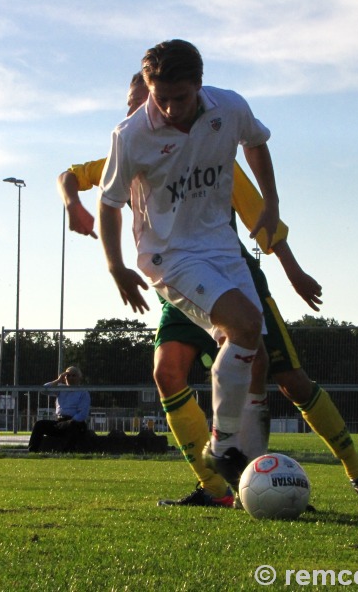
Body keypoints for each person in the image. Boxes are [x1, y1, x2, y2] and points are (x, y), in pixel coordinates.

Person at [62, 72, 358, 507]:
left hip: (229, 276)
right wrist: (74, 206)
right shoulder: (130, 144)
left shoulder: (209, 149)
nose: (139, 111)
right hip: (178, 285)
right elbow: (70, 175)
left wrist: (293, 270)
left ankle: (356, 473)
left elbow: (261, 218)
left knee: (287, 379)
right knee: (166, 373)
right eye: (133, 103)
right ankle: (218, 488)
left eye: (143, 102)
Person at [98, 39, 277, 493]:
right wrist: (116, 265)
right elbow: (109, 201)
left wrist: (271, 203)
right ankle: (220, 447)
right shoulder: (130, 135)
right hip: (169, 255)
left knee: (254, 354)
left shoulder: (229, 107)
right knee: (243, 325)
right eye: (162, 99)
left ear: (199, 84)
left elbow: (255, 142)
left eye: (181, 97)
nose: (172, 108)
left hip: (221, 245)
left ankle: (253, 485)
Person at [28, 366, 91, 453]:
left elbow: (83, 413)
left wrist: (71, 421)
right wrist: (58, 380)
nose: (71, 378)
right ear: (64, 377)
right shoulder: (61, 388)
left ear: (79, 378)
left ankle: (66, 453)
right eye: (68, 375)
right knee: (39, 425)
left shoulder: (83, 392)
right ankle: (32, 452)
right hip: (60, 421)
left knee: (72, 426)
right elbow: (44, 390)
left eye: (74, 375)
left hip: (75, 422)